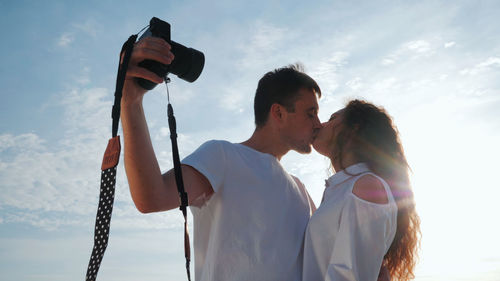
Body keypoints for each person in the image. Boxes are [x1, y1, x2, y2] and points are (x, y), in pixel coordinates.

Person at [120, 37, 320, 281]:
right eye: (311, 114)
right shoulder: (223, 157)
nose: (318, 124)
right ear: (278, 112)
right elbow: (151, 196)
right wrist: (130, 101)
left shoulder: (302, 192)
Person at [302, 100, 421, 281]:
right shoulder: (341, 188)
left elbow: (347, 276)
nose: (320, 125)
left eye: (332, 119)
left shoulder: (367, 186)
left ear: (354, 128)